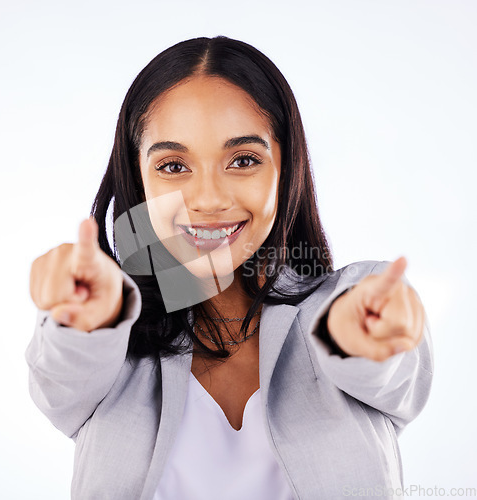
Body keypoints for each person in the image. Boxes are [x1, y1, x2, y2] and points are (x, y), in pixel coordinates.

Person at [26, 36, 433, 500]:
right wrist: (81, 320)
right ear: (138, 177)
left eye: (243, 160)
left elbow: (398, 371)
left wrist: (355, 338)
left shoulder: (352, 300)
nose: (209, 199)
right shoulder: (112, 337)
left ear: (287, 166)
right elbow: (62, 375)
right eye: (173, 166)